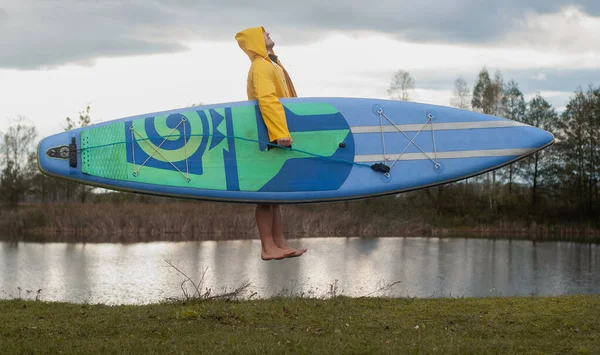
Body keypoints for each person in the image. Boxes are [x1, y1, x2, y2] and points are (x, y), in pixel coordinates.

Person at [235, 26, 307, 261]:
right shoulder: (260, 67)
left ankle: (280, 244)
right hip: (268, 136)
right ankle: (268, 248)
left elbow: (287, 101)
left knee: (274, 197)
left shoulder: (272, 64)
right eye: (263, 33)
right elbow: (267, 101)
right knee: (266, 196)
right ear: (256, 40)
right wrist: (279, 133)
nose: (268, 34)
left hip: (275, 134)